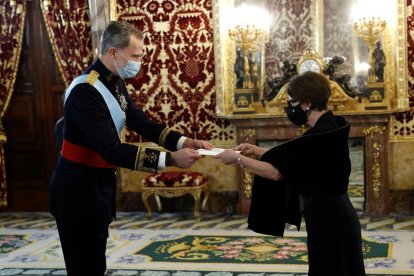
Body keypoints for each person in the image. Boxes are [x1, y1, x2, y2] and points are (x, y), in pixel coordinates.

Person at [49, 21, 213, 275]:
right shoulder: (86, 91)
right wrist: (170, 159)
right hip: (77, 191)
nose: (139, 62)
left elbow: (137, 120)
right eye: (135, 56)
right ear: (113, 52)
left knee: (95, 262)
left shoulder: (113, 81)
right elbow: (112, 150)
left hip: (97, 186)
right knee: (84, 266)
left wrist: (183, 142)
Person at [214, 71, 366, 276]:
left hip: (329, 219)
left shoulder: (319, 134)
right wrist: (257, 151)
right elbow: (297, 161)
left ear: (308, 103)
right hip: (334, 214)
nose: (289, 108)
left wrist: (238, 158)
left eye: (292, 102)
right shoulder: (329, 126)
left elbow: (277, 172)